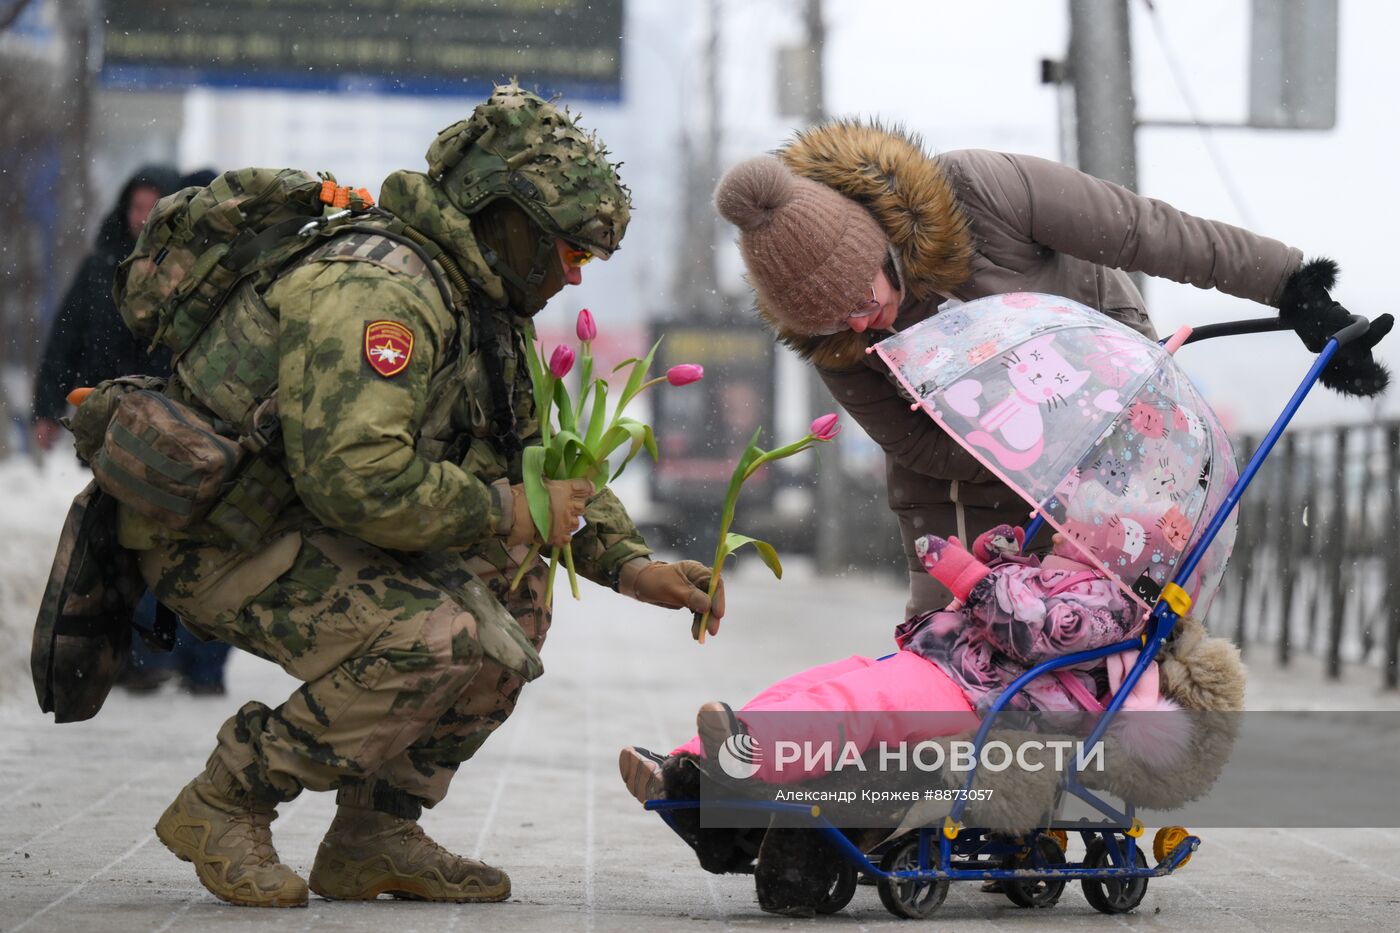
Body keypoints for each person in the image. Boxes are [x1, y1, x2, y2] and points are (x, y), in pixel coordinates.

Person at [121, 85, 725, 908]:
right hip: (219, 532)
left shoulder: (482, 301)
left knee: (514, 592)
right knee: (443, 633)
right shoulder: (384, 291)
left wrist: (629, 564)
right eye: (566, 250)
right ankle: (227, 798)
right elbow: (357, 477)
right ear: (504, 217)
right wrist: (501, 511)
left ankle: (375, 831)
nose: (573, 276)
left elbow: (537, 456)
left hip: (302, 521)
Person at [710, 124, 1388, 619]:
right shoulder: (835, 337)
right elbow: (910, 441)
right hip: (956, 466)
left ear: (876, 245)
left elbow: (1143, 229)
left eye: (861, 300)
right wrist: (1029, 447)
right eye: (835, 323)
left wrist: (1292, 287)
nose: (862, 327)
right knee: (947, 642)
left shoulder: (980, 192)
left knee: (1108, 615)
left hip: (1106, 392)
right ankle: (832, 785)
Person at [619, 519, 1189, 799]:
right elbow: (1020, 597)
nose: (1068, 525)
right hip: (940, 663)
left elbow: (1035, 631)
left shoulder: (1111, 605)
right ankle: (687, 763)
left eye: (1088, 525)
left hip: (984, 698)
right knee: (815, 685)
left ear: (1120, 554)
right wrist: (1002, 559)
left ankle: (749, 760)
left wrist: (972, 577)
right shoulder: (1059, 574)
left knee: (851, 709)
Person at [31, 164, 180, 451]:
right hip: (104, 419)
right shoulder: (100, 268)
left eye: (153, 208)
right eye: (137, 207)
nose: (143, 217)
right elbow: (66, 339)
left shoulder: (187, 272)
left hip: (168, 425)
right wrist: (47, 408)